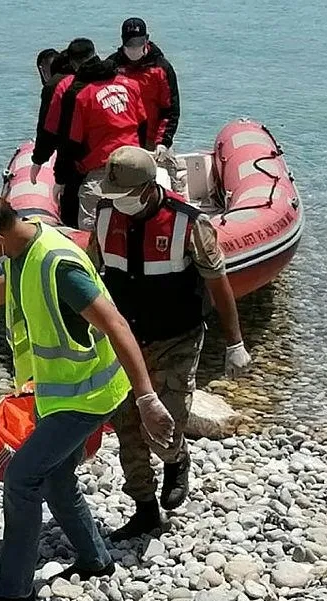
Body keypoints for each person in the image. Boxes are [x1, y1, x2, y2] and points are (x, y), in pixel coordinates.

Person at [0, 195, 174, 601]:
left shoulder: (60, 266)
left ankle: (16, 596)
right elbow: (13, 284)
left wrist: (147, 398)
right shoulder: (19, 247)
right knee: (57, 475)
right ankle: (96, 559)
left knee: (22, 477)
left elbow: (116, 323)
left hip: (87, 396)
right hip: (58, 393)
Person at [88, 146, 251, 540]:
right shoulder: (106, 216)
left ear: (147, 190)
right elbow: (94, 273)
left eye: (123, 194)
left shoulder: (189, 225)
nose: (115, 202)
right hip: (124, 341)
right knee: (127, 426)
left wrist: (235, 342)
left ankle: (176, 460)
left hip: (176, 338)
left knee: (167, 422)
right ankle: (144, 508)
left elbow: (219, 284)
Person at [30, 38, 147, 232]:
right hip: (136, 162)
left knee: (88, 227)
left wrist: (57, 176)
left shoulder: (76, 93)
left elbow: (67, 141)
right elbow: (142, 125)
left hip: (100, 168)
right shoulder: (128, 83)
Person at [108, 18, 180, 157]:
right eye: (130, 43)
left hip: (152, 141)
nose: (134, 47)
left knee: (166, 172)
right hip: (120, 140)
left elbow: (170, 110)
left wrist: (163, 142)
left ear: (146, 39)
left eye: (138, 43)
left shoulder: (161, 68)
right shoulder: (111, 66)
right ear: (123, 41)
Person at [34, 44, 83, 228]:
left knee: (71, 207)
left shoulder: (56, 86)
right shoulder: (83, 80)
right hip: (94, 151)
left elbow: (48, 129)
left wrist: (38, 160)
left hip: (74, 159)